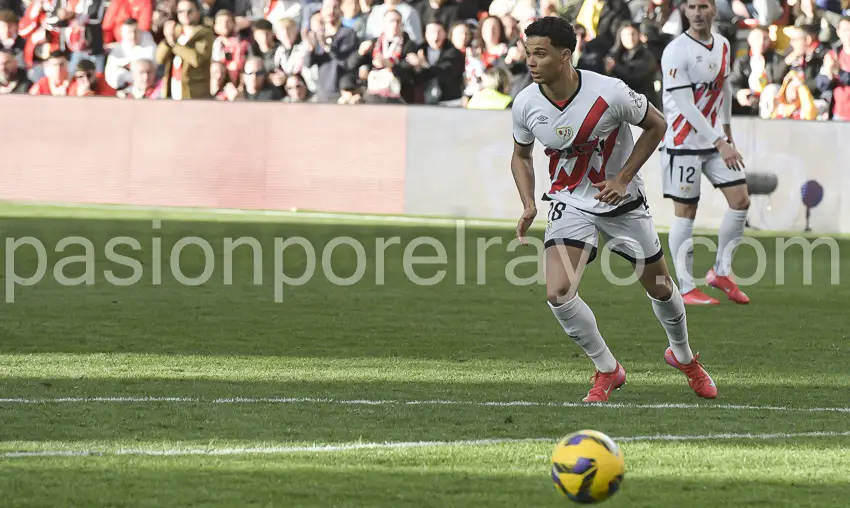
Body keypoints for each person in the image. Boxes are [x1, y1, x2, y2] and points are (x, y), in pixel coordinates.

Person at [511, 16, 717, 403]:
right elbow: (521, 155)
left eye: (541, 53)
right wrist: (527, 202)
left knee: (660, 287)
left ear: (566, 55)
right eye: (528, 53)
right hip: (569, 202)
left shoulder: (610, 92)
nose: (532, 62)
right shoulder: (525, 102)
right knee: (558, 292)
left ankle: (684, 357)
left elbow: (657, 125)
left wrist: (622, 178)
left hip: (622, 203)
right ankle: (608, 369)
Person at [659, 0, 751, 306]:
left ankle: (721, 272)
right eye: (692, 7)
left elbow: (723, 90)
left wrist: (727, 133)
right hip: (682, 143)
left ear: (714, 10)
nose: (697, 13)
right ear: (684, 11)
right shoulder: (676, 50)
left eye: (704, 6)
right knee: (686, 212)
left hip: (713, 141)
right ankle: (685, 288)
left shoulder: (723, 45)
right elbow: (685, 105)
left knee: (740, 200)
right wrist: (719, 141)